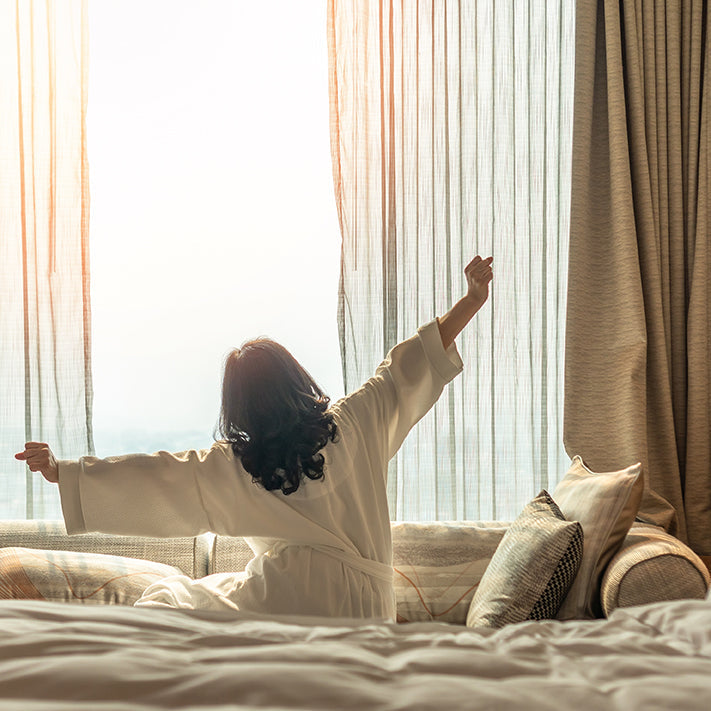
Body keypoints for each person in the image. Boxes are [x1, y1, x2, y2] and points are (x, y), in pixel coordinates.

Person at [15, 255, 493, 620]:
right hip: (369, 610)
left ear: (238, 407)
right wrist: (470, 301)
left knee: (166, 600)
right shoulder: (357, 421)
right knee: (183, 598)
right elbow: (407, 366)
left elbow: (157, 476)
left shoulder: (236, 465)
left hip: (288, 602)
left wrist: (66, 473)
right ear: (296, 377)